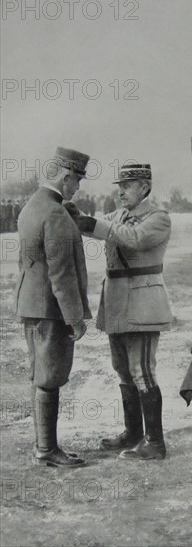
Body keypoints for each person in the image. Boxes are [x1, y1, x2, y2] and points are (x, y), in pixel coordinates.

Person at [75, 163, 172, 460]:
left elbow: (134, 238)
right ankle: (133, 432)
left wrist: (90, 223)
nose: (120, 191)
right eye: (120, 186)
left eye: (126, 186)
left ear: (144, 187)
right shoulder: (117, 216)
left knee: (142, 371)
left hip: (143, 304)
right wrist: (70, 213)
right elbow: (97, 227)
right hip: (117, 301)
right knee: (122, 369)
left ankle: (154, 442)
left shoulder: (158, 218)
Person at [15, 146, 92, 467]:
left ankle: (44, 446)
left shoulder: (31, 206)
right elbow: (61, 273)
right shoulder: (55, 213)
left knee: (41, 373)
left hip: (32, 304)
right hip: (52, 309)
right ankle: (47, 449)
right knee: (51, 376)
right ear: (65, 177)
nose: (77, 188)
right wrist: (75, 319)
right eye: (75, 181)